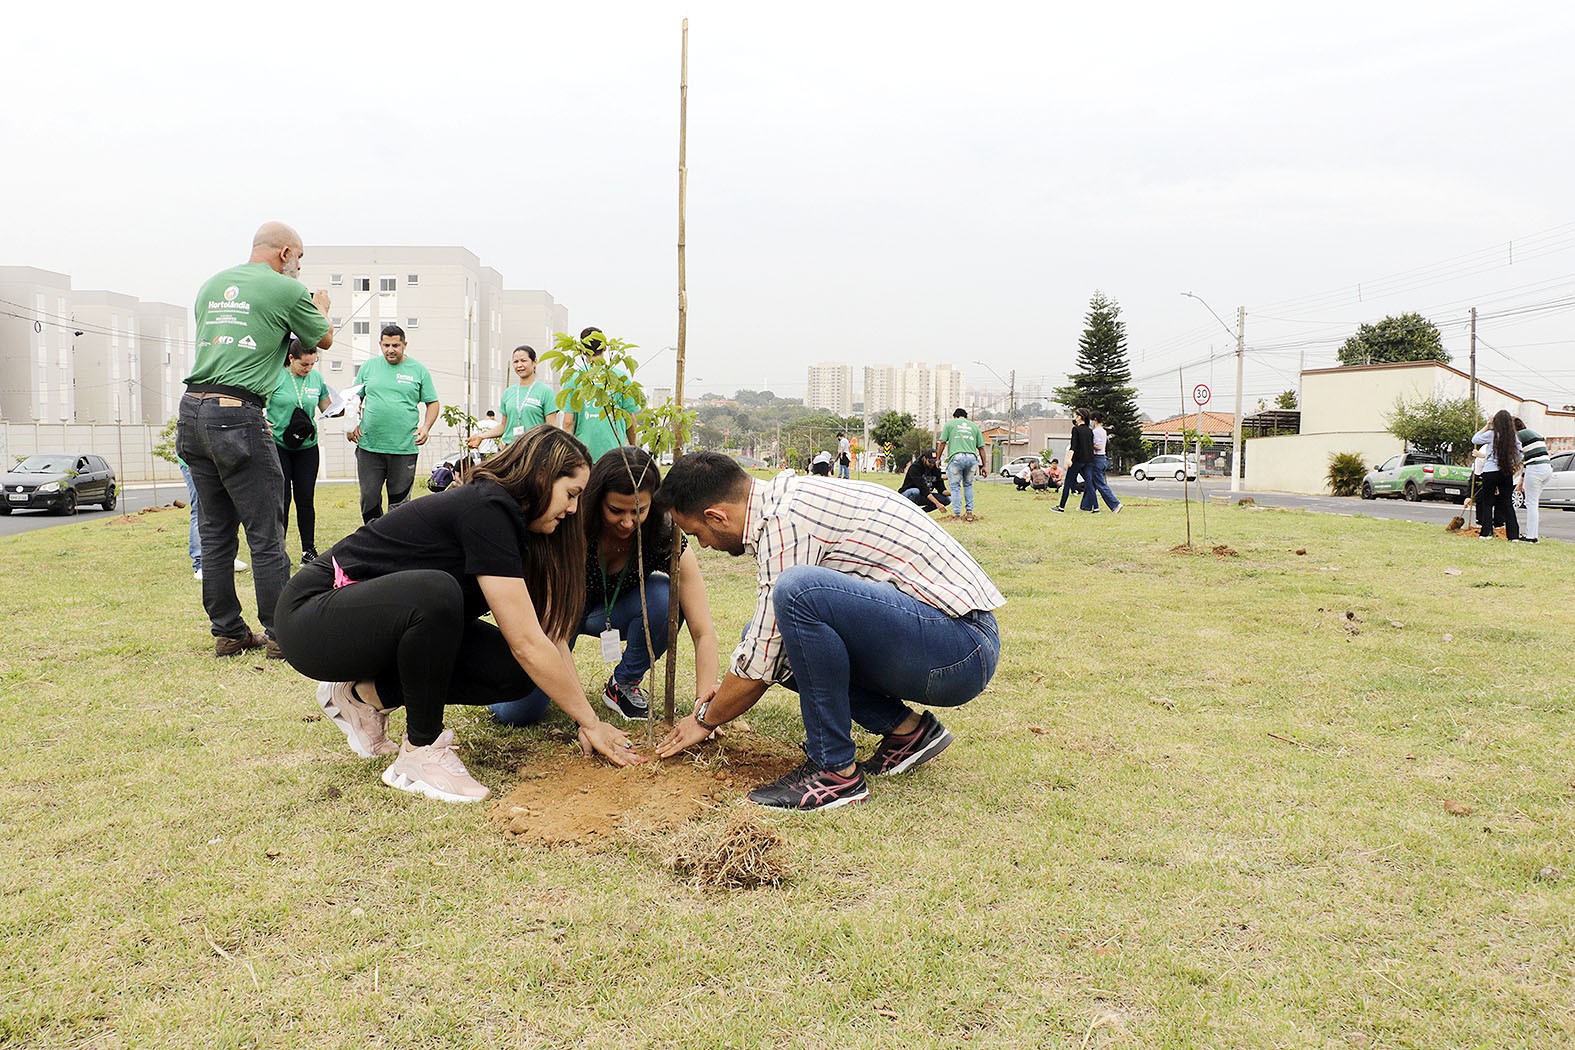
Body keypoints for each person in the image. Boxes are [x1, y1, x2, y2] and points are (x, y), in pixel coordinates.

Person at [274, 425, 641, 803]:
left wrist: (586, 720)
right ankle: (421, 751)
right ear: (544, 476)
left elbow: (547, 636)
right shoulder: (488, 508)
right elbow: (527, 643)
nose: (574, 509)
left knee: (514, 672)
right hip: (311, 619)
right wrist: (591, 722)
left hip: (374, 625)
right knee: (438, 592)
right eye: (571, 494)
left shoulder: (522, 531)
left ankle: (363, 696)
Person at [653, 452, 1005, 812]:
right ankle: (907, 731)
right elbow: (767, 641)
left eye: (697, 533)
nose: (703, 545)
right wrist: (727, 691)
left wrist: (705, 719)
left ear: (716, 516)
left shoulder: (785, 521)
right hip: (953, 641)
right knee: (783, 627)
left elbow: (763, 655)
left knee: (797, 592)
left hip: (959, 649)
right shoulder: (786, 500)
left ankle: (834, 771)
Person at [179, 221, 332, 658]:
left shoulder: (212, 285)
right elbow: (321, 338)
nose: (299, 266)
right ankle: (281, 635)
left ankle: (228, 632)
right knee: (266, 533)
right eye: (299, 258)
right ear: (285, 253)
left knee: (215, 533)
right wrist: (320, 306)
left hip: (192, 412)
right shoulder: (287, 290)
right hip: (237, 414)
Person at [491, 446, 720, 725]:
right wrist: (587, 720)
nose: (627, 522)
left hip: (610, 612)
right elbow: (554, 630)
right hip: (559, 616)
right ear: (597, 499)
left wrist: (704, 710)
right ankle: (495, 674)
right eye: (615, 510)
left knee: (664, 596)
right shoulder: (570, 523)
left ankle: (622, 685)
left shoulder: (662, 533)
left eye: (639, 510)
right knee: (518, 714)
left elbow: (703, 630)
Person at [349, 324, 439, 524]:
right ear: (380, 345)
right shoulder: (368, 367)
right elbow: (354, 398)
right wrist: (351, 424)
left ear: (405, 344)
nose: (391, 350)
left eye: (395, 345)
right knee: (369, 497)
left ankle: (396, 540)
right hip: (369, 446)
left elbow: (433, 403)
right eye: (386, 345)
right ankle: (373, 538)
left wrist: (426, 428)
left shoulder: (418, 370)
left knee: (400, 504)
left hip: (404, 447)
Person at [268, 339, 335, 564]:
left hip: (307, 447)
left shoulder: (316, 378)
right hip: (279, 445)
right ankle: (279, 551)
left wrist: (345, 408)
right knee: (283, 499)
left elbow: (327, 407)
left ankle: (308, 550)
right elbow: (258, 404)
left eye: (312, 364)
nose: (308, 369)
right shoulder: (275, 376)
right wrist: (261, 421)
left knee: (305, 498)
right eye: (304, 364)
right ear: (291, 359)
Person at [561, 327, 639, 463]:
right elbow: (630, 421)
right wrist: (633, 449)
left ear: (581, 350)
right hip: (615, 454)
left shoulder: (574, 378)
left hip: (584, 455)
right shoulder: (619, 377)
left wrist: (569, 455)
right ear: (605, 347)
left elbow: (568, 422)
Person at [468, 344, 557, 453]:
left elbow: (551, 429)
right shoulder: (508, 392)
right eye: (516, 362)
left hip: (535, 451)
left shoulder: (546, 392)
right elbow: (504, 426)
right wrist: (481, 436)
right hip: (510, 450)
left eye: (523, 361)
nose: (519, 365)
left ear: (534, 362)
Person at [178, 454, 249, 581]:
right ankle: (200, 563)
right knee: (201, 508)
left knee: (228, 507)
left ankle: (227, 557)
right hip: (195, 460)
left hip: (220, 458)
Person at [1470, 409, 1521, 541]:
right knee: (1507, 503)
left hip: (1490, 471)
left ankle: (1486, 533)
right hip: (1506, 471)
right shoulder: (1513, 437)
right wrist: (1513, 464)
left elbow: (1475, 439)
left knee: (1488, 503)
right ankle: (1513, 535)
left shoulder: (1491, 435)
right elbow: (1520, 454)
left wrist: (1487, 425)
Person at [938, 408, 986, 522]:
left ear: (955, 416)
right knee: (968, 485)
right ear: (966, 416)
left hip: (956, 457)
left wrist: (938, 458)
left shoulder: (950, 424)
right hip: (972, 458)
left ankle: (957, 515)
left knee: (955, 487)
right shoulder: (974, 426)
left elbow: (942, 442)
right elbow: (981, 448)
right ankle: (969, 514)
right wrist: (984, 466)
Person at [1514, 416, 1551, 544]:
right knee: (1533, 503)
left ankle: (1531, 537)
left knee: (1531, 504)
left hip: (1535, 469)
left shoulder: (1519, 435)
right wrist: (1521, 482)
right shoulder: (1533, 435)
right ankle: (1532, 535)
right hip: (1546, 469)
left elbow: (1518, 456)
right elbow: (1528, 460)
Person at [1081, 410, 1123, 514]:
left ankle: (1115, 504)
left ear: (1094, 420)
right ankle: (1085, 506)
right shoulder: (1103, 431)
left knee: (1100, 484)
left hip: (1097, 459)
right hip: (1102, 459)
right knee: (1091, 483)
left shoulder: (1096, 432)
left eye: (1091, 420)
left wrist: (1087, 444)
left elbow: (1098, 447)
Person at [1055, 410, 1093, 514]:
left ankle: (1061, 507)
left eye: (1075, 415)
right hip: (1088, 460)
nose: (1074, 417)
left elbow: (1073, 446)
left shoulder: (1076, 429)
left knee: (1068, 483)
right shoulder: (1089, 431)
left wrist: (1068, 459)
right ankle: (1096, 507)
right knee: (1090, 483)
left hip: (1077, 460)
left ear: (1080, 417)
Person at [900, 449, 952, 513]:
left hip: (923, 496)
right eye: (930, 462)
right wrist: (937, 504)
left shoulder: (936, 469)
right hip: (908, 495)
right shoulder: (915, 467)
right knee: (915, 491)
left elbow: (942, 489)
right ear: (925, 458)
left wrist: (954, 493)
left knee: (947, 499)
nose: (932, 464)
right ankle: (907, 512)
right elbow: (923, 489)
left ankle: (921, 513)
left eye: (934, 462)